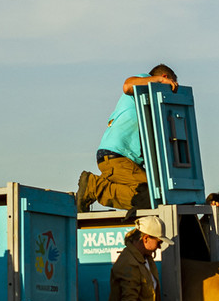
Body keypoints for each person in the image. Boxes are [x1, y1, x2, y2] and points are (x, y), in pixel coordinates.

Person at [77, 65, 179, 212]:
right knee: (151, 197)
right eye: (172, 84)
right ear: (164, 77)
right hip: (118, 156)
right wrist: (160, 81)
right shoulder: (144, 82)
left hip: (122, 159)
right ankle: (94, 187)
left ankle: (100, 186)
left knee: (157, 195)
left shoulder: (150, 103)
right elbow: (127, 85)